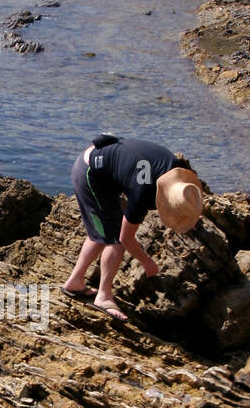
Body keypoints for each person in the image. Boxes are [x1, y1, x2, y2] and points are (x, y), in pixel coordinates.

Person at [63, 134, 203, 320]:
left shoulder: (179, 171)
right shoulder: (142, 192)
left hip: (106, 165)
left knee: (101, 232)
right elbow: (125, 239)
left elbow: (184, 196)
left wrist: (188, 212)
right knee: (113, 239)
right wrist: (146, 262)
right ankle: (103, 296)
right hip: (89, 173)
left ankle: (74, 282)